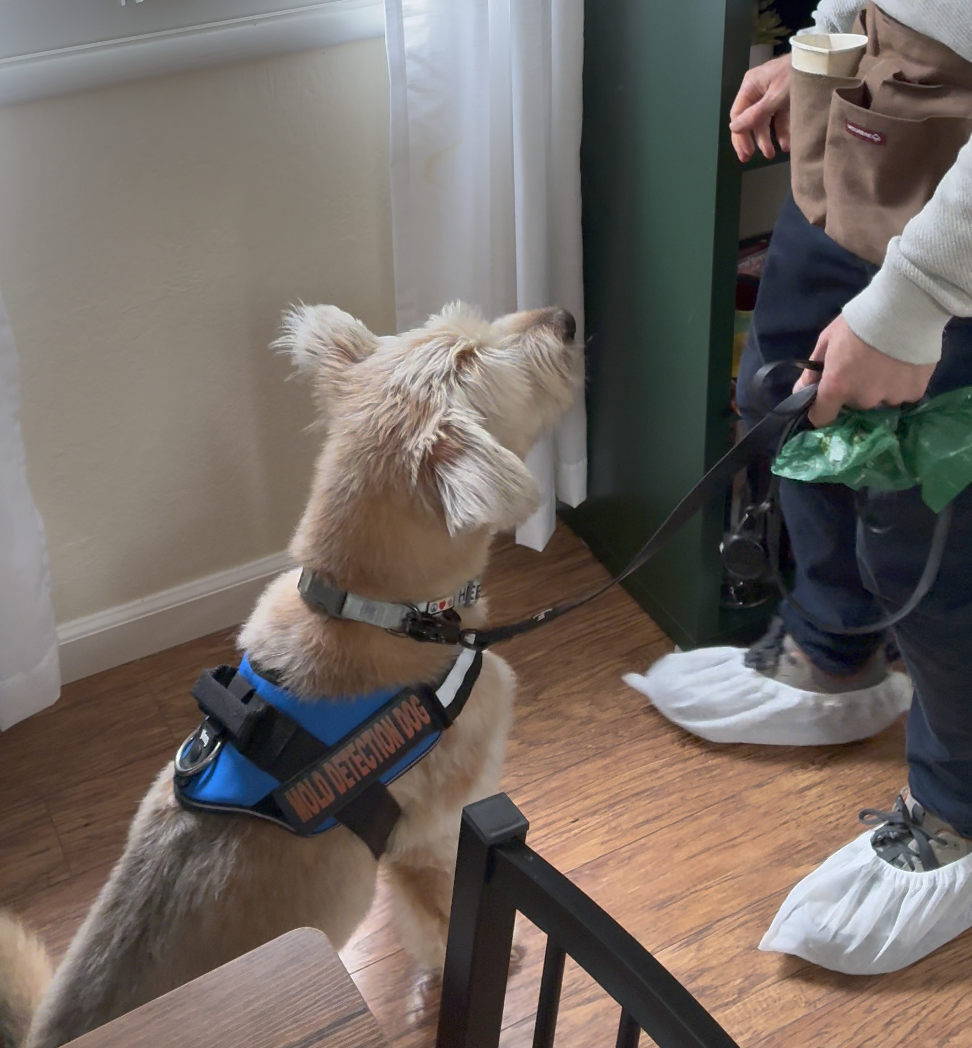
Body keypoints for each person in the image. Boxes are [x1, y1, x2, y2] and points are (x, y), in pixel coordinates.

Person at [627, 1, 972, 975]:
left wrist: (919, 300)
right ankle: (833, 652)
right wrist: (825, 42)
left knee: (929, 529)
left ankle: (958, 805)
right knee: (780, 403)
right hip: (872, 98)